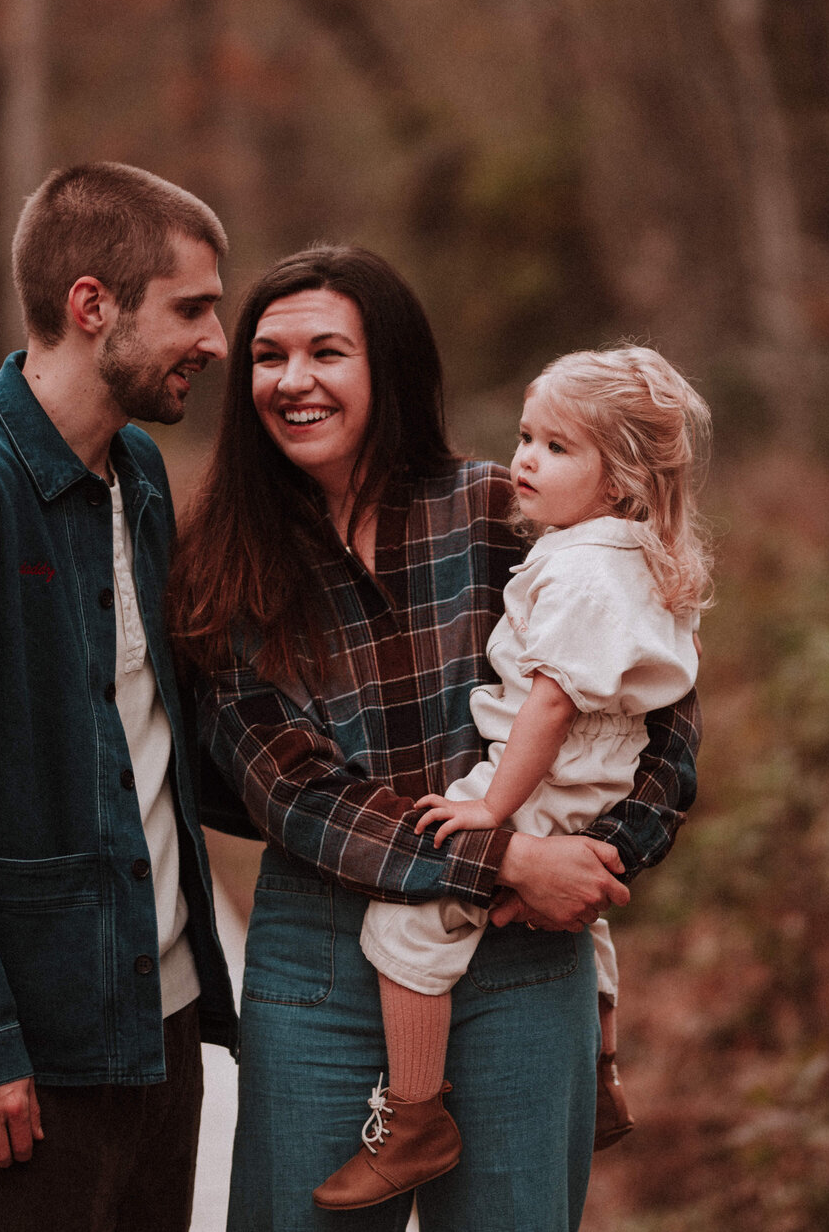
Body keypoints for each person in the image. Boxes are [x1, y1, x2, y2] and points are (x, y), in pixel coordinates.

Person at [172, 245, 703, 1232]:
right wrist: (510, 856)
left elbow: (655, 718)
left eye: (327, 351)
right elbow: (289, 789)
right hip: (326, 955)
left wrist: (599, 856)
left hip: (521, 951)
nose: (293, 381)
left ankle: (591, 1053)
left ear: (391, 367)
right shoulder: (224, 555)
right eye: (267, 355)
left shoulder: (508, 512)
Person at [0, 162, 237, 1232]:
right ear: (91, 304)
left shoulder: (144, 475)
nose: (215, 339)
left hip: (159, 1028)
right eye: (192, 308)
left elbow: (158, 733)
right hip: (26, 1050)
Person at [316, 345, 711, 1208]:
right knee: (584, 918)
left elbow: (550, 705)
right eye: (527, 435)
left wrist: (490, 810)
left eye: (559, 448)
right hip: (596, 776)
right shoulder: (629, 553)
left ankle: (415, 1115)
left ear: (620, 478)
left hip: (549, 770)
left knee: (411, 914)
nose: (525, 458)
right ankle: (602, 1073)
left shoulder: (579, 568)